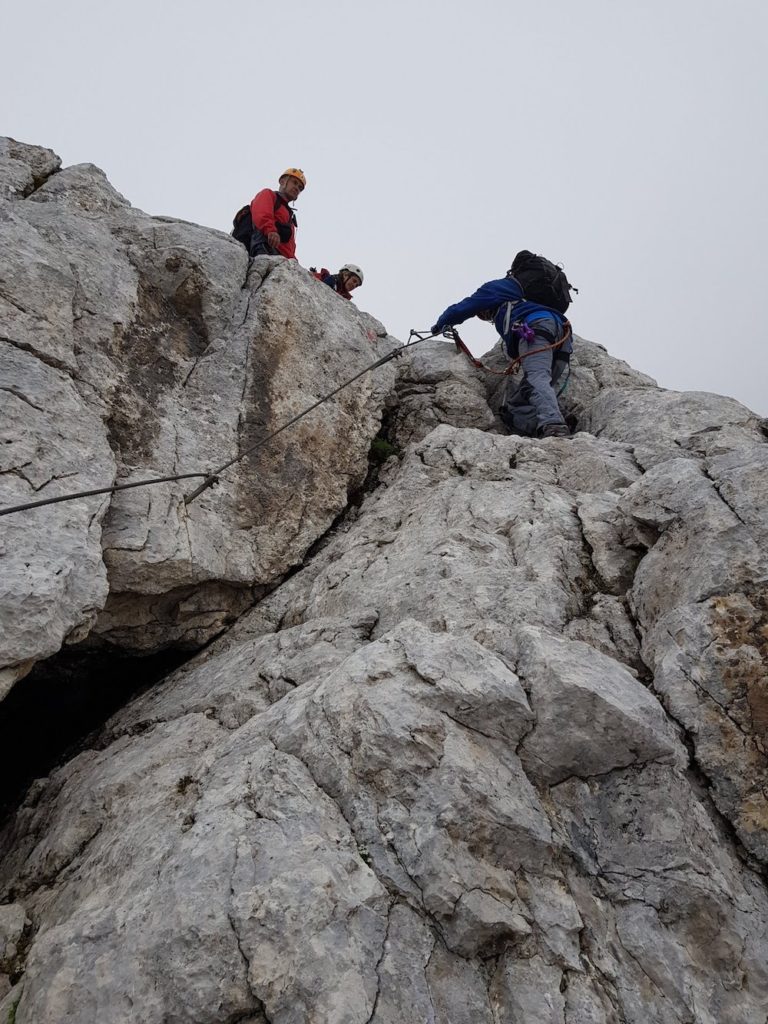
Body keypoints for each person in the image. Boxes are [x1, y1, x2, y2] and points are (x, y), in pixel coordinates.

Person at [431, 272, 572, 438]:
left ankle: (554, 424)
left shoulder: (497, 288)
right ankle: (553, 421)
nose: (487, 318)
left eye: (484, 315)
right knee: (521, 398)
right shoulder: (522, 294)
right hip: (562, 332)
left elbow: (464, 307)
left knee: (537, 377)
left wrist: (439, 325)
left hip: (535, 329)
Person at [248, 168, 306, 259]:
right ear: (283, 182)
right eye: (294, 183)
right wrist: (270, 230)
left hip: (280, 258)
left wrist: (294, 262)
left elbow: (288, 248)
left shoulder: (290, 217)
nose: (297, 188)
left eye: (300, 188)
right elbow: (262, 213)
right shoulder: (269, 194)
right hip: (265, 248)